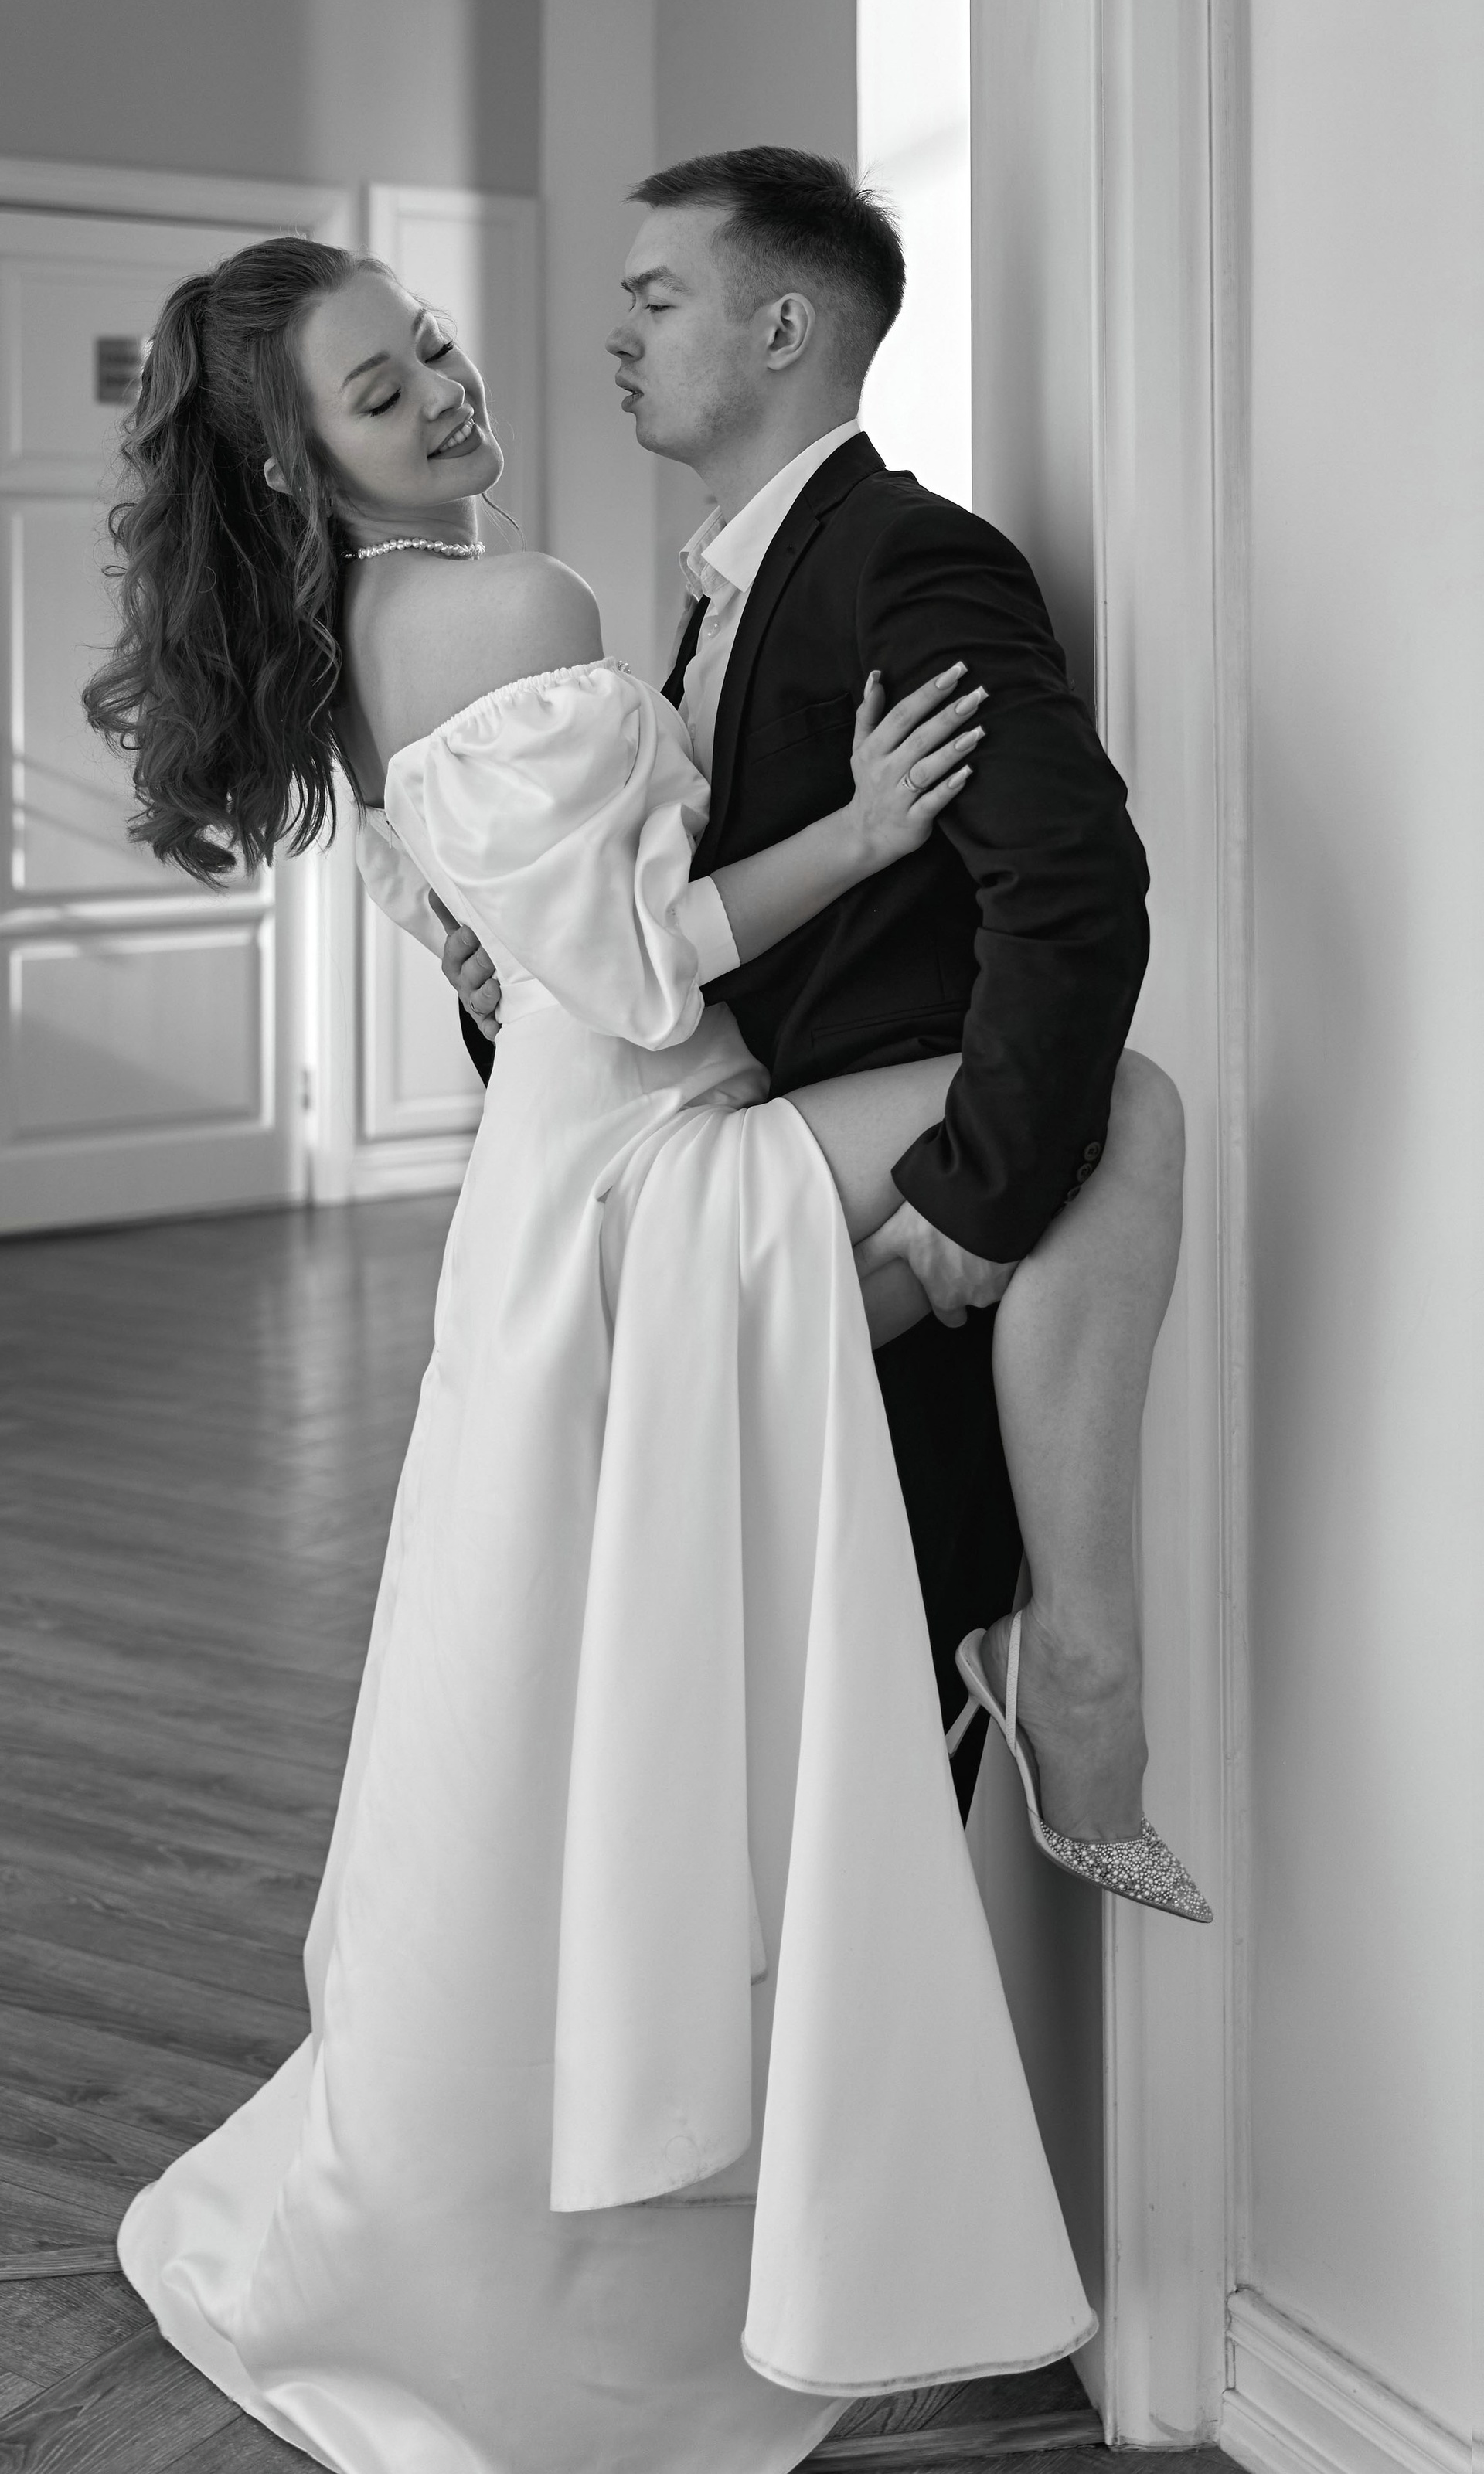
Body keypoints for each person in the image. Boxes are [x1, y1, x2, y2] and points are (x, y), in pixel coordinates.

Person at [81, 231, 1193, 2474]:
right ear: (296, 468)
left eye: (431, 347)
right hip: (651, 1171)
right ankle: (1073, 1650)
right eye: (384, 394)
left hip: (555, 1203)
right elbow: (634, 975)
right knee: (1126, 1108)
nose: (453, 390)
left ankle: (977, 1507)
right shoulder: (517, 605)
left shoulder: (360, 647)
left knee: (571, 1702)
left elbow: (513, 978)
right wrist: (864, 831)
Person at [442, 146, 1187, 1855]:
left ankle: (1068, 1698)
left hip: (887, 1252)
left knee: (873, 1817)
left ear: (782, 328)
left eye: (656, 299)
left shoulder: (909, 559)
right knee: (746, 1797)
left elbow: (1071, 892)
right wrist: (504, 995)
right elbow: (666, 950)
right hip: (725, 1234)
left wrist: (974, 1211)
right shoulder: (715, 595)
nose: (617, 335)